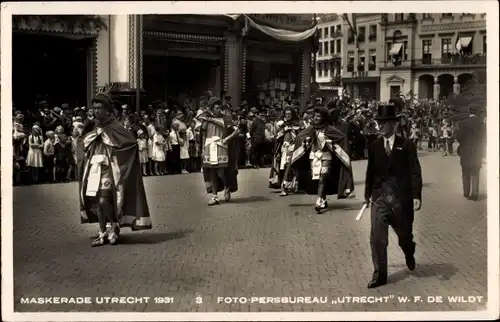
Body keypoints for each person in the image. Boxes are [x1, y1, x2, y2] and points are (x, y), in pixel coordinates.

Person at [79, 92, 152, 247]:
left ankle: (113, 225)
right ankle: (102, 232)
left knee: (104, 199)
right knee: (97, 202)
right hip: (94, 168)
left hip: (109, 169)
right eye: (94, 108)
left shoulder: (115, 126)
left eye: (99, 108)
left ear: (107, 110)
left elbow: (130, 143)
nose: (96, 111)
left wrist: (106, 139)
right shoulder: (92, 126)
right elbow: (82, 144)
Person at [364, 104, 422, 288]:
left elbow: (414, 171)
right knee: (377, 238)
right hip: (380, 197)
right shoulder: (374, 146)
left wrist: (416, 195)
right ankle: (380, 275)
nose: (379, 126)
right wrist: (367, 194)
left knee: (404, 235)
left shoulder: (406, 145)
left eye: (383, 123)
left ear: (393, 124)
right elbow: (370, 171)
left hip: (400, 200)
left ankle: (409, 251)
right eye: (378, 122)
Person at [284, 106, 355, 213]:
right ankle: (323, 198)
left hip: (326, 155)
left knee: (323, 177)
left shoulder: (329, 129)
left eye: (318, 116)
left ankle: (319, 201)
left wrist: (328, 142)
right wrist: (306, 142)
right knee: (318, 180)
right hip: (313, 156)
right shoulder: (311, 129)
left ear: (324, 117)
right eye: (315, 116)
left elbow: (342, 138)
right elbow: (300, 137)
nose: (316, 118)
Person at [197, 97, 240, 206]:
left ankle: (226, 186)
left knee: (220, 173)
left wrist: (227, 139)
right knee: (211, 172)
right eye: (216, 108)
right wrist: (202, 149)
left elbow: (237, 130)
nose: (218, 110)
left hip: (221, 146)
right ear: (211, 109)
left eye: (219, 108)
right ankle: (215, 196)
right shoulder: (206, 120)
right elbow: (204, 135)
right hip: (208, 146)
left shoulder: (225, 119)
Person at [269, 106, 300, 196]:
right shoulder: (282, 125)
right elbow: (277, 137)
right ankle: (283, 185)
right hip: (283, 149)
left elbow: (300, 136)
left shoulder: (297, 124)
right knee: (282, 167)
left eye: (289, 114)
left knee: (290, 167)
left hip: (293, 148)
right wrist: (283, 130)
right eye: (286, 114)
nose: (288, 116)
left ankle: (287, 186)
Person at [456, 107, 485, 201]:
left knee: (465, 172)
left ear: (469, 111)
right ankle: (475, 194)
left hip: (465, 151)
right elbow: (484, 139)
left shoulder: (463, 123)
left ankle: (466, 193)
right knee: (475, 173)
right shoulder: (482, 124)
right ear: (477, 112)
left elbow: (459, 137)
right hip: (477, 151)